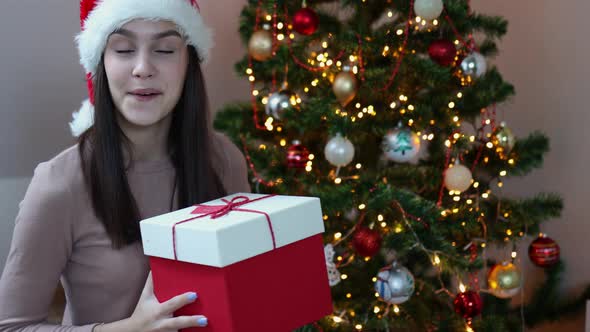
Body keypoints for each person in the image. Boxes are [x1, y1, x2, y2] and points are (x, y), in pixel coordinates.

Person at [0, 0, 251, 331]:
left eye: (164, 50)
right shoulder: (58, 184)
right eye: (123, 49)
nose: (143, 68)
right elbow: (11, 326)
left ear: (189, 62)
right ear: (100, 63)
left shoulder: (224, 159)